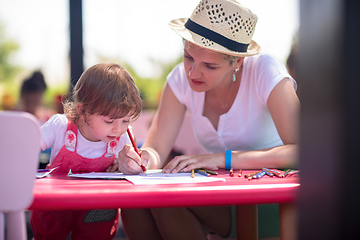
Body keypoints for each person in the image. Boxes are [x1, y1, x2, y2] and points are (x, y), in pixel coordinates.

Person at [119, 0, 299, 240]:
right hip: (224, 197)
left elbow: (303, 151)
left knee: (164, 202)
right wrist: (139, 159)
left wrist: (222, 159)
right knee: (137, 201)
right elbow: (155, 150)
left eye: (210, 66)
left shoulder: (265, 70)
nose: (193, 72)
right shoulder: (179, 79)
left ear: (238, 61)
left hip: (274, 200)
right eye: (188, 57)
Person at [30, 63, 143, 240]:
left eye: (126, 121)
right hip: (54, 205)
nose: (118, 129)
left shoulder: (122, 137)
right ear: (82, 110)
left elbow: (136, 172)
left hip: (98, 207)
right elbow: (25, 148)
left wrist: (130, 166)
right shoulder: (59, 126)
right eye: (109, 121)